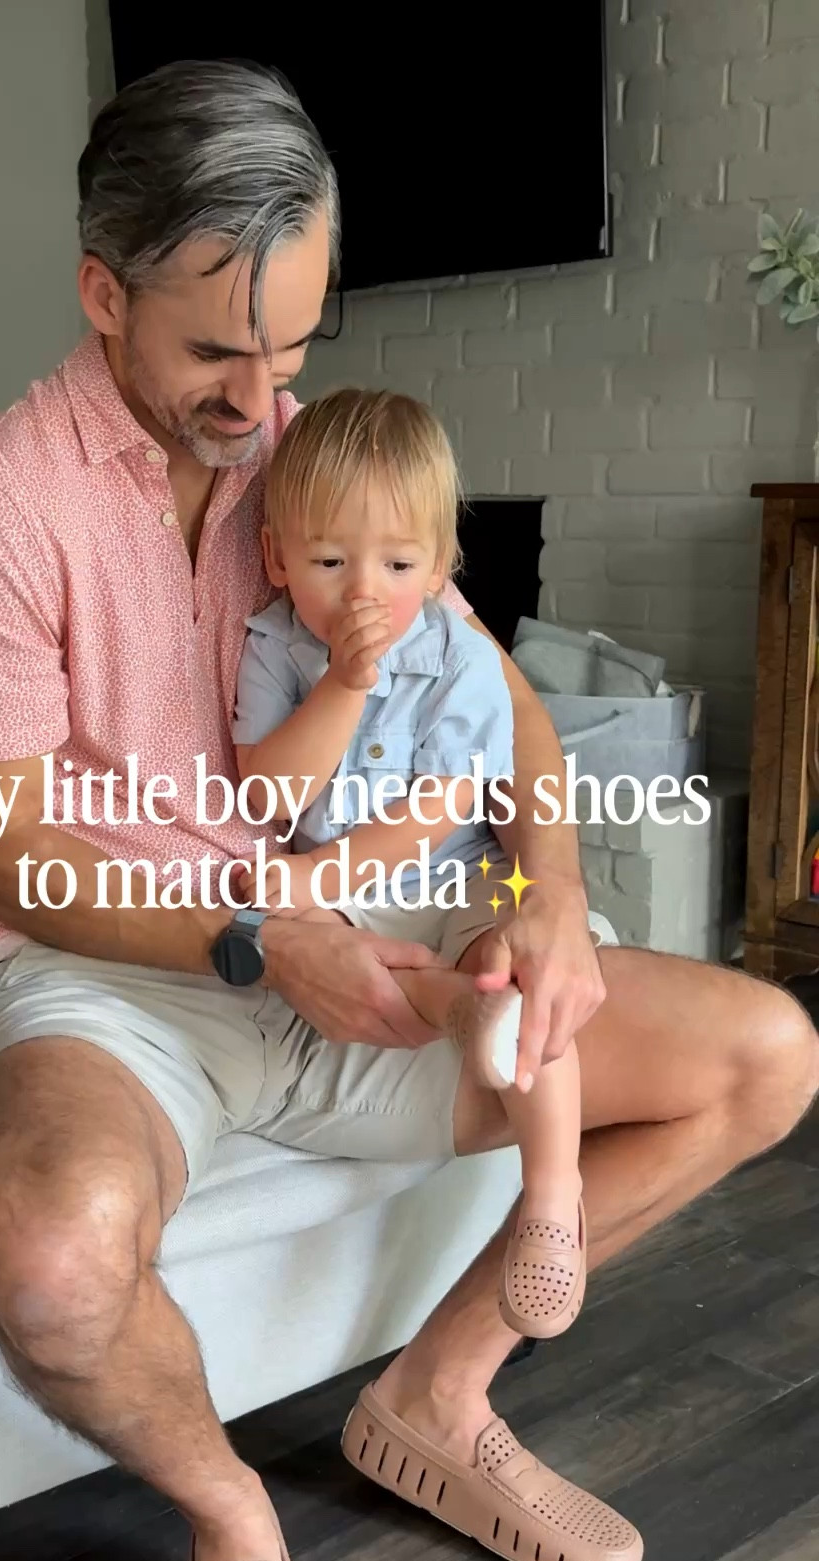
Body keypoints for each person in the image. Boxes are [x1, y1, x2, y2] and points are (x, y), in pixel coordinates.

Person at [0, 58, 819, 1561]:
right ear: (105, 294)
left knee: (768, 1057)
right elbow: (3, 854)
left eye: (295, 348)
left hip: (365, 944)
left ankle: (435, 1405)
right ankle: (232, 1519)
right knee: (49, 1248)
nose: (264, 402)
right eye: (217, 356)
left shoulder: (319, 460)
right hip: (116, 983)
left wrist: (546, 891)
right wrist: (254, 939)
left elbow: (504, 708)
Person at [234, 387, 586, 1344]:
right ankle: (469, 1013)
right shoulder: (270, 646)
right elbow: (265, 797)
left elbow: (443, 808)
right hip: (337, 895)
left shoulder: (462, 658)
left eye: (397, 563)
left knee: (516, 958)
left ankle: (552, 1200)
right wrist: (347, 685)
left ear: (442, 566)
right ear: (275, 558)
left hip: (447, 872)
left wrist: (322, 878)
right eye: (328, 561)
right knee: (283, 926)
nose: (364, 591)